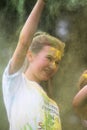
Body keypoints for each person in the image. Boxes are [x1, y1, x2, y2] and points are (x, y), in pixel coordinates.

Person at [2, 0, 65, 130]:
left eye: (57, 62)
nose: (53, 66)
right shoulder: (16, 83)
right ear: (30, 55)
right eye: (49, 58)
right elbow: (24, 41)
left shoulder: (53, 105)